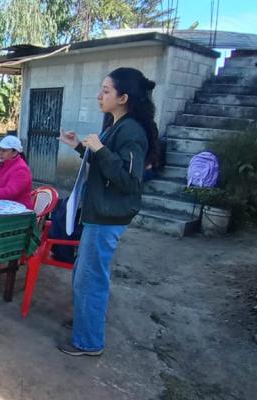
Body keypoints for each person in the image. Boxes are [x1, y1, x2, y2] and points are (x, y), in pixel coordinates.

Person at [57, 67, 157, 357]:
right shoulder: (115, 123)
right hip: (98, 212)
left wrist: (100, 149)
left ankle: (88, 342)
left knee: (91, 279)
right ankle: (86, 326)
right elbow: (104, 164)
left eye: (106, 91)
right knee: (84, 275)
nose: (99, 95)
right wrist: (79, 146)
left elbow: (129, 181)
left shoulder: (132, 131)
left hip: (108, 217)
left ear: (123, 97)